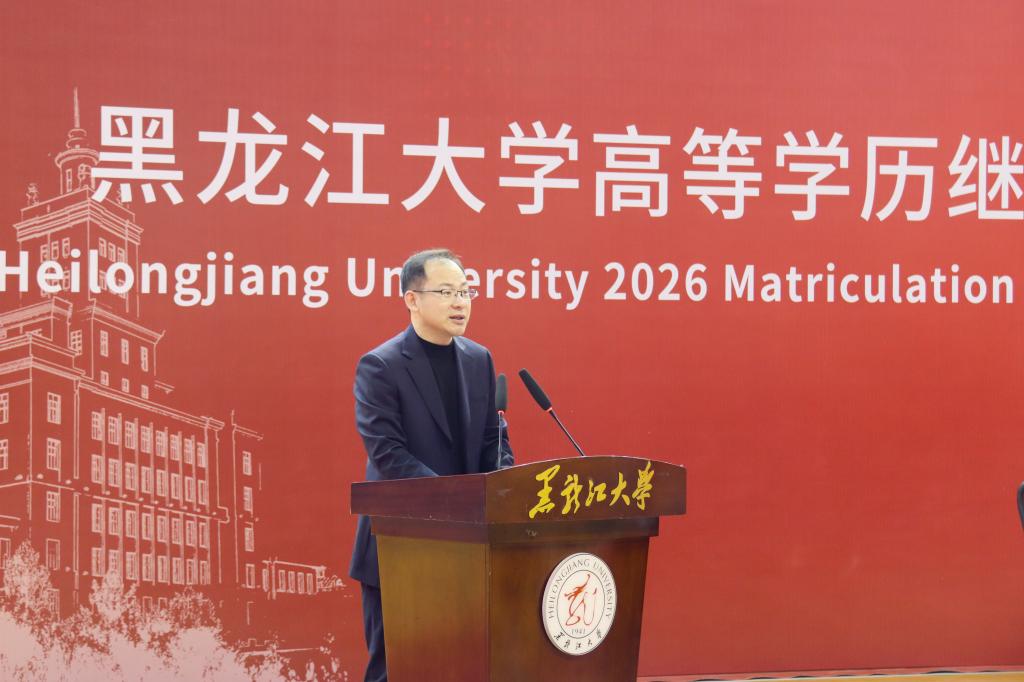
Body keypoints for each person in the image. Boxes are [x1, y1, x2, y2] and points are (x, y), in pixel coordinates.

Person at [349, 248, 514, 682]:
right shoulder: (381, 366)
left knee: (463, 666)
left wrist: (505, 486)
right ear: (412, 299)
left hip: (470, 548)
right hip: (401, 547)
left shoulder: (478, 359)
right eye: (446, 292)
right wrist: (454, 504)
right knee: (396, 670)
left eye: (465, 291)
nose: (460, 302)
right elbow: (388, 453)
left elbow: (492, 439)